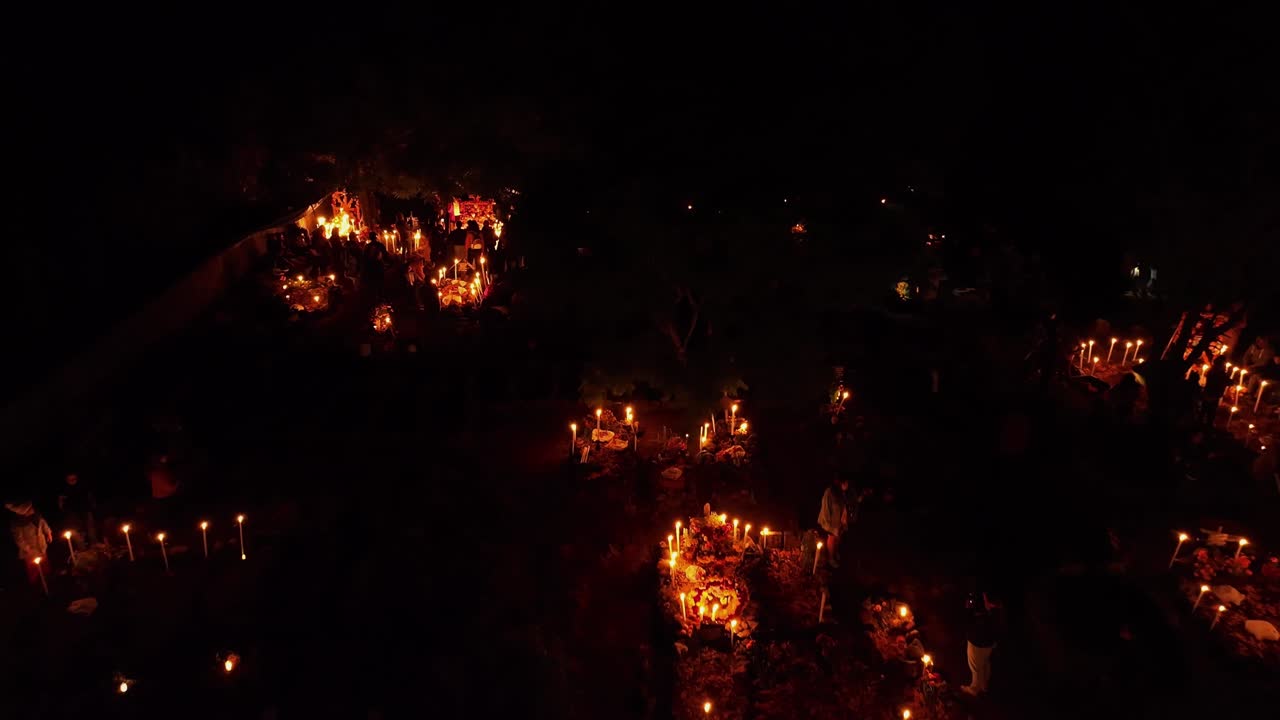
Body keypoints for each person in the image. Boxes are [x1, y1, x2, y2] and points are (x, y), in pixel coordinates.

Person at [962, 591, 1003, 696]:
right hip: (988, 644)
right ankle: (984, 685)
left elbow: (970, 624)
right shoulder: (996, 613)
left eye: (985, 598)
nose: (984, 599)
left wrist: (968, 610)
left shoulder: (988, 616)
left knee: (975, 667)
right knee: (984, 663)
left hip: (977, 643)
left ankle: (974, 688)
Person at [6, 501, 53, 585]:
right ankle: (36, 584)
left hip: (41, 545)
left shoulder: (37, 516)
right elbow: (19, 539)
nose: (33, 509)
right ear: (24, 512)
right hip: (30, 551)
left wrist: (48, 533)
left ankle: (48, 580)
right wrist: (27, 549)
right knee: (33, 568)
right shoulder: (17, 524)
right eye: (30, 509)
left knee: (45, 565)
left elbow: (43, 524)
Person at [817, 476, 849, 567]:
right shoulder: (829, 492)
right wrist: (829, 526)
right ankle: (830, 558)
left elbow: (843, 505)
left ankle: (835, 552)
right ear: (840, 483)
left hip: (839, 521)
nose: (847, 485)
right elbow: (825, 508)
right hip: (831, 521)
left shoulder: (841, 493)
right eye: (845, 483)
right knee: (832, 538)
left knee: (838, 538)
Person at [58, 471, 97, 546]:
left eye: (74, 479)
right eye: (70, 479)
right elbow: (61, 500)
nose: (73, 481)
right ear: (67, 480)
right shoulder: (64, 489)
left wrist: (92, 505)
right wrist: (62, 508)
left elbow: (89, 495)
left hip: (85, 509)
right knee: (76, 530)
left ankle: (94, 544)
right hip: (72, 513)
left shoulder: (82, 485)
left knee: (91, 527)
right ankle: (82, 547)